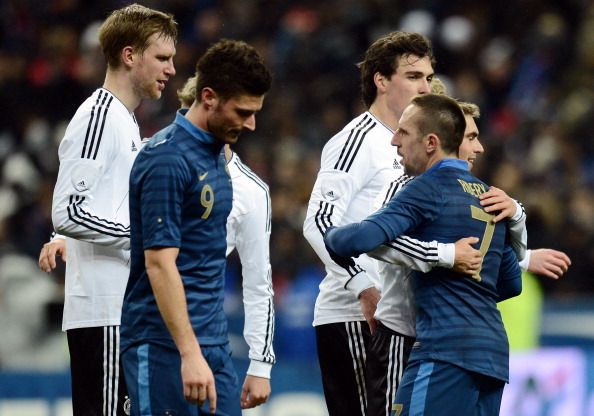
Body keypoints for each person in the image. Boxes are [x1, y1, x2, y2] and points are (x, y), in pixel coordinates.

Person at [324, 93, 523, 415]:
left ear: (430, 142)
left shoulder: (426, 188)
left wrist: (331, 233)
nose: (394, 141)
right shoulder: (491, 197)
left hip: (444, 352)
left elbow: (360, 239)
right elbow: (511, 283)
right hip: (493, 356)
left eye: (404, 132)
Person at [119, 39, 272, 416]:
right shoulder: (166, 158)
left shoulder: (216, 155)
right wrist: (189, 354)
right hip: (163, 347)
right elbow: (160, 264)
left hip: (214, 345)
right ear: (208, 97)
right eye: (242, 111)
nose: (250, 123)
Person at [42, 5, 177, 415]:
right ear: (129, 55)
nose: (171, 69)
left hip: (123, 311)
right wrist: (146, 240)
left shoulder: (124, 121)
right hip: (104, 311)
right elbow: (69, 209)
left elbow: (88, 209)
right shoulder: (99, 116)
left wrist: (62, 239)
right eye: (163, 57)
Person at [302, 31, 437, 416]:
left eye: (428, 77)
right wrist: (364, 287)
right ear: (381, 80)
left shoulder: (413, 147)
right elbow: (318, 221)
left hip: (396, 316)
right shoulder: (358, 140)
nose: (424, 85)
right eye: (413, 76)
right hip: (354, 315)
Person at [177, 76, 275, 409]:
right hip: (149, 333)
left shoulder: (251, 191)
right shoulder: (155, 158)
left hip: (209, 338)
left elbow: (258, 281)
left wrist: (261, 363)